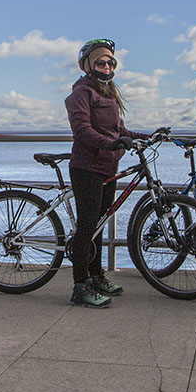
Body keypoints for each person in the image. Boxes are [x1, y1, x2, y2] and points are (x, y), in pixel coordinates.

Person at [64, 38, 146, 308]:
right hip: (87, 168)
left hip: (108, 167)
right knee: (87, 227)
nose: (107, 66)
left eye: (111, 61)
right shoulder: (81, 94)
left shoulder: (108, 92)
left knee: (98, 226)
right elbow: (82, 131)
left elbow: (119, 130)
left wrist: (143, 136)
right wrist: (109, 144)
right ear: (88, 65)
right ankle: (79, 287)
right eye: (101, 61)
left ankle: (97, 275)